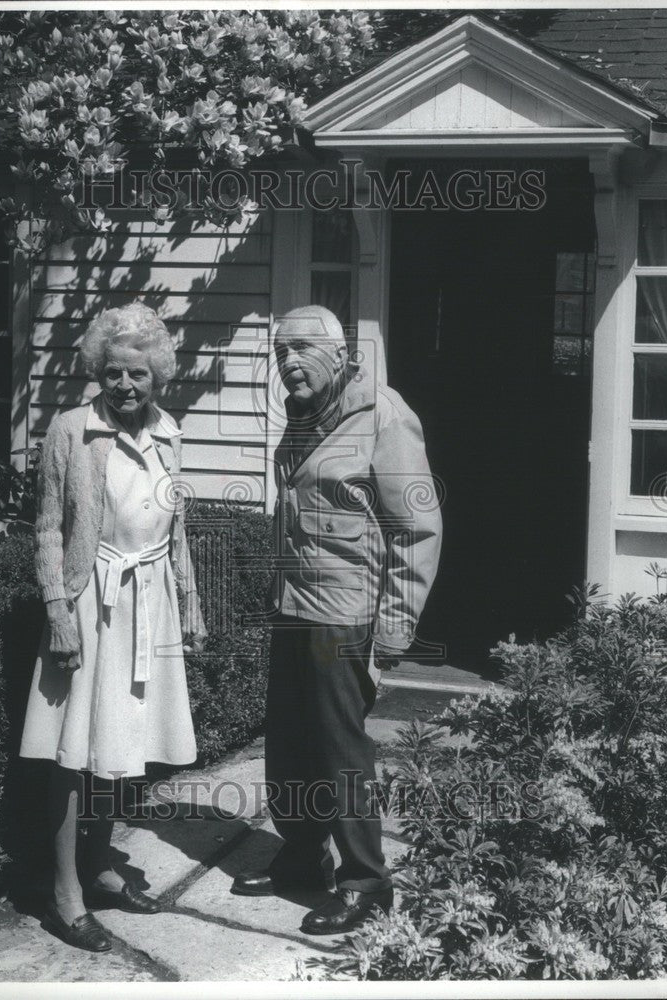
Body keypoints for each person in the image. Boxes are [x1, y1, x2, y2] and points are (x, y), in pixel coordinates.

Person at [231, 305, 442, 934]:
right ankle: (302, 855)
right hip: (293, 606)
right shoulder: (303, 416)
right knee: (290, 744)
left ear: (339, 354)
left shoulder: (383, 415)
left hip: (345, 613)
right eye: (280, 352)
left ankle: (365, 881)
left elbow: (418, 527)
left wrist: (396, 626)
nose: (288, 363)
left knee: (339, 749)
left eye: (301, 350)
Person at [20, 302, 206, 953]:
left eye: (140, 375)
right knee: (74, 757)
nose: (127, 386)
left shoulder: (169, 432)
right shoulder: (71, 431)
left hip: (146, 604)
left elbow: (174, 528)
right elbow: (46, 530)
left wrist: (189, 606)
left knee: (119, 752)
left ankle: (101, 869)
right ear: (99, 371)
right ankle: (64, 892)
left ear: (159, 378)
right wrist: (58, 613)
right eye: (115, 373)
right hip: (89, 604)